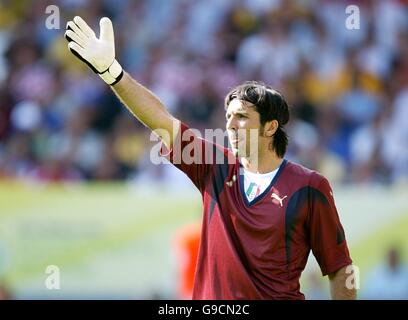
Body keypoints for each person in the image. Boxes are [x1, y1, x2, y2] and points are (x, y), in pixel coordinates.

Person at [64, 16, 356, 300]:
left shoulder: (310, 186)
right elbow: (162, 121)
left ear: (270, 127)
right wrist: (111, 72)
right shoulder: (214, 166)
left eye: (242, 117)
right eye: (229, 116)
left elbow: (340, 269)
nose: (230, 124)